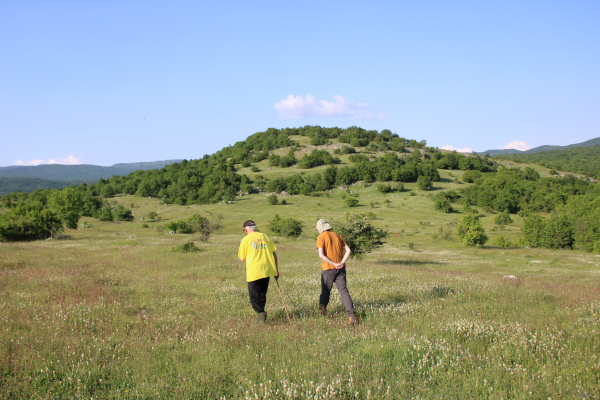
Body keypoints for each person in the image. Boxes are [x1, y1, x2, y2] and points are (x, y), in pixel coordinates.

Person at [315, 219, 357, 325]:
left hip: (328, 268)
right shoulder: (338, 235)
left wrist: (334, 264)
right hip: (341, 268)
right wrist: (341, 263)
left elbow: (321, 255)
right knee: (343, 291)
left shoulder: (321, 237)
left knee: (325, 292)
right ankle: (352, 316)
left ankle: (322, 312)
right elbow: (348, 250)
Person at [238, 220, 279, 324]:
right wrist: (276, 270)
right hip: (267, 269)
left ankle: (260, 317)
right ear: (254, 228)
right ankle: (262, 313)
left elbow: (242, 259)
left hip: (254, 271)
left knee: (254, 296)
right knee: (262, 294)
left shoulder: (246, 239)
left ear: (246, 229)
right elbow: (274, 253)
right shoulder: (264, 236)